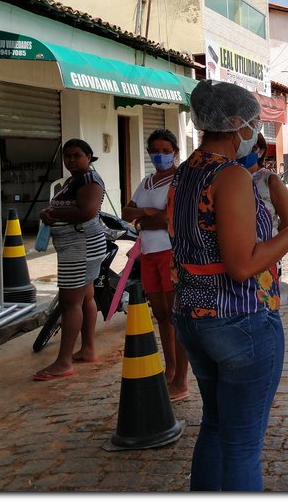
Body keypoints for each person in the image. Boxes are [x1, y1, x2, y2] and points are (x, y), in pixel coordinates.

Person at [167, 80, 288, 491]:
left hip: (193, 316)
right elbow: (242, 266)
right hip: (239, 319)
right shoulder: (230, 175)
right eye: (254, 123)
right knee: (241, 445)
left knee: (216, 426)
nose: (256, 131)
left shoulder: (184, 172)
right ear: (237, 124)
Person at [122, 128, 189, 401]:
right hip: (148, 254)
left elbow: (169, 218)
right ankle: (169, 369)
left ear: (175, 152)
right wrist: (148, 214)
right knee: (161, 315)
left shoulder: (179, 181)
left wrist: (145, 217)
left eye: (165, 150)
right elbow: (127, 211)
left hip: (170, 253)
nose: (159, 155)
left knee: (177, 315)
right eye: (155, 151)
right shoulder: (147, 182)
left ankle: (181, 379)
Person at [33, 139, 105, 381]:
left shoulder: (89, 181)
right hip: (75, 247)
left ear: (89, 157)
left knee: (69, 302)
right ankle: (87, 349)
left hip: (80, 246)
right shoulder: (71, 182)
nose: (71, 160)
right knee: (85, 298)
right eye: (67, 156)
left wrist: (51, 213)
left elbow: (87, 211)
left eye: (77, 155)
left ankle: (63, 362)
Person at [239, 133, 288, 301]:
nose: (246, 151)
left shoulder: (270, 180)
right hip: (238, 257)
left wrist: (272, 247)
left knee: (266, 310)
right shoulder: (229, 178)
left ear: (261, 151)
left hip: (266, 259)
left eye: (253, 148)